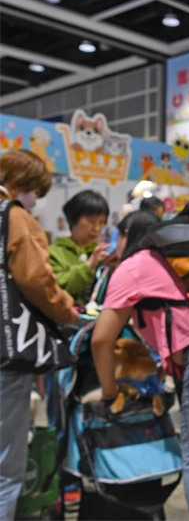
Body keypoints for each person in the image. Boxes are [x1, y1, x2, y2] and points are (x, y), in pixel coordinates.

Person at [90, 209, 189, 521]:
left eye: (117, 235)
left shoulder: (132, 267)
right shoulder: (164, 261)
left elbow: (101, 340)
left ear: (129, 235)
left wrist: (108, 391)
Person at [0, 150, 78, 518]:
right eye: (33, 191)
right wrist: (67, 311)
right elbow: (35, 279)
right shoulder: (13, 216)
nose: (34, 200)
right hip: (6, 353)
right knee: (4, 469)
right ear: (19, 183)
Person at [49, 190, 110, 305]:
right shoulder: (54, 252)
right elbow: (57, 287)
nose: (96, 228)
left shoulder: (100, 253)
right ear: (73, 219)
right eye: (91, 221)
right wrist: (88, 266)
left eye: (101, 222)